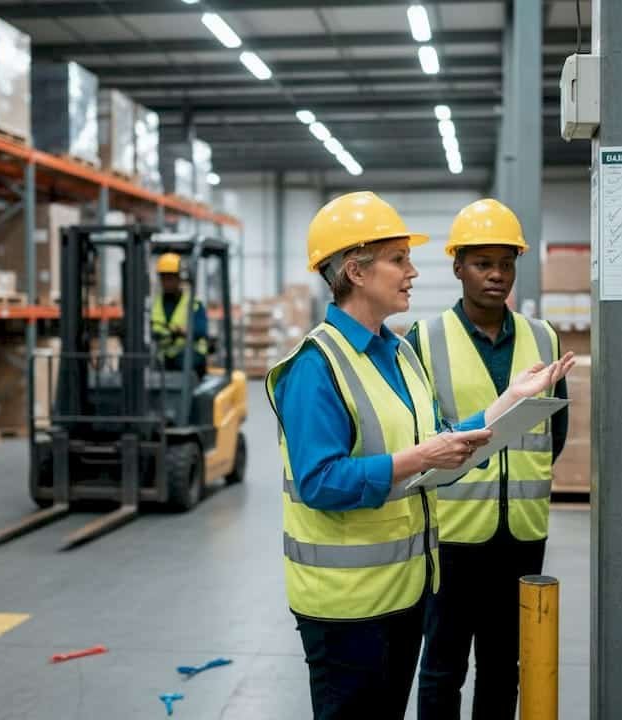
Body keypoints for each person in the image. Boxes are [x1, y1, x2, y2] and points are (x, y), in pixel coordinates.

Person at [266, 191, 575, 720]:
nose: (412, 271)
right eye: (398, 259)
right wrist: (418, 457)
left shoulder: (398, 353)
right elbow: (320, 482)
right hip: (345, 606)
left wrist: (508, 402)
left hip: (405, 591)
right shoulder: (315, 365)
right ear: (356, 271)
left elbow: (440, 443)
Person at [407, 198, 569, 720]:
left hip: (522, 534)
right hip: (451, 535)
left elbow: (555, 430)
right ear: (457, 267)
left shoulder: (543, 337)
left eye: (506, 263)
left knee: (505, 663)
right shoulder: (425, 341)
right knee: (443, 665)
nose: (496, 275)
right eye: (482, 263)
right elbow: (420, 438)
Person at [150, 252, 208, 375]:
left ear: (179, 278)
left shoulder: (194, 303)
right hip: (165, 355)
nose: (167, 282)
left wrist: (182, 331)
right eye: (164, 278)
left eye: (170, 277)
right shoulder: (155, 303)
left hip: (191, 354)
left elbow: (201, 330)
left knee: (182, 362)